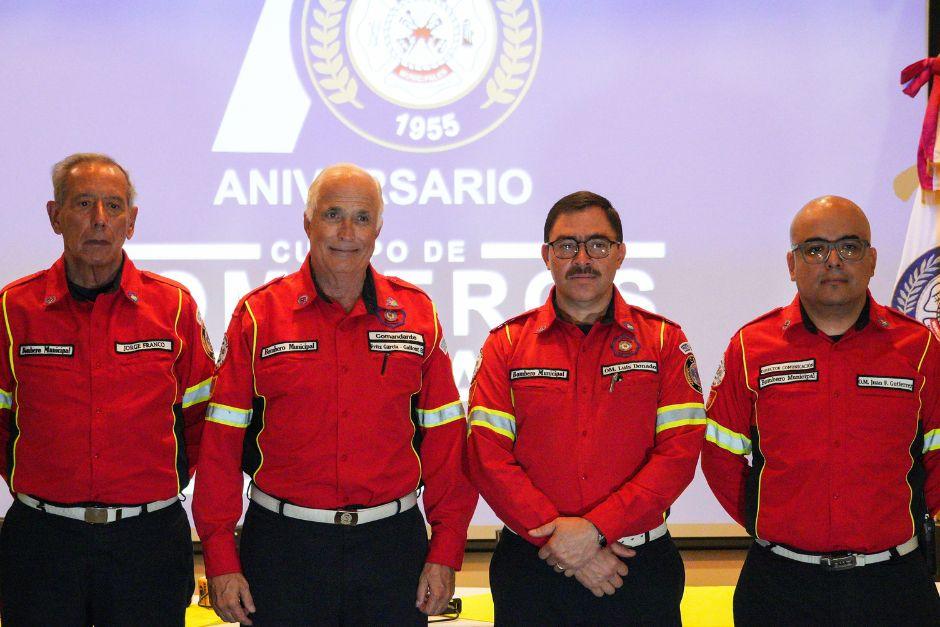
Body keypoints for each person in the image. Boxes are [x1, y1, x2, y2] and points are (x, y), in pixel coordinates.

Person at [193, 163, 477, 625]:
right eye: (332, 215)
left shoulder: (417, 314)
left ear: (378, 229)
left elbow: (446, 443)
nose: (347, 232)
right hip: (284, 550)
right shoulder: (258, 315)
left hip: (392, 550)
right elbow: (220, 448)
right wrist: (221, 558)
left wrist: (446, 551)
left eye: (362, 218)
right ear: (307, 223)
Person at [465, 191, 706, 625]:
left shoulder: (664, 341)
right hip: (531, 569)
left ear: (620, 253)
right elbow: (487, 456)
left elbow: (679, 454)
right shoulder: (506, 344)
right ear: (546, 255)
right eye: (566, 246)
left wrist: (595, 530)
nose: (582, 259)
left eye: (597, 244)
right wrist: (563, 542)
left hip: (637, 568)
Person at [701, 195, 940, 625]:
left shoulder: (920, 347)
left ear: (872, 260)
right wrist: (773, 521)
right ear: (791, 264)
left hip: (893, 586)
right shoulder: (750, 347)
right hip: (780, 587)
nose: (833, 261)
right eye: (814, 249)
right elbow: (719, 456)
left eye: (849, 247)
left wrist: (894, 519)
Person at [0, 153, 215, 625]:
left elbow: (204, 420)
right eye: (83, 203)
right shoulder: (13, 308)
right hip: (42, 544)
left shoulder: (174, 308)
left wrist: (154, 485)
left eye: (114, 206)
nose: (100, 219)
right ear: (55, 216)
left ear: (131, 221)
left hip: (148, 543)